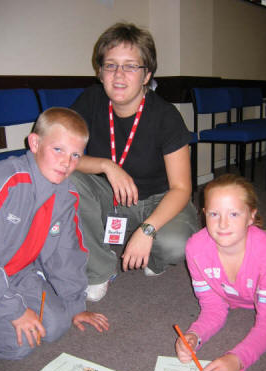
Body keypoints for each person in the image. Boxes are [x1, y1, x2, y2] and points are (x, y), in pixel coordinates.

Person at [71, 22, 199, 302]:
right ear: (100, 72)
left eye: (130, 66)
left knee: (178, 244)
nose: (118, 75)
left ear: (146, 75)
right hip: (110, 198)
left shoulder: (166, 116)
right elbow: (65, 154)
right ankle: (99, 270)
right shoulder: (91, 100)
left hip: (159, 199)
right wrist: (107, 166)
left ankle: (153, 254)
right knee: (68, 180)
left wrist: (148, 230)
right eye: (110, 65)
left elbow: (181, 188)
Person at [0, 107, 109, 360]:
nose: (67, 162)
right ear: (35, 143)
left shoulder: (65, 193)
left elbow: (66, 253)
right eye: (58, 150)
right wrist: (14, 310)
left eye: (76, 155)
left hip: (18, 273)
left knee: (56, 325)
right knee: (20, 344)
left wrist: (76, 306)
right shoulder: (4, 179)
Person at [176, 174, 266, 371]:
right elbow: (212, 307)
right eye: (214, 214)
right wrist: (194, 335)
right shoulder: (195, 249)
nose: (223, 224)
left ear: (251, 216)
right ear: (204, 214)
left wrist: (237, 359)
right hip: (237, 293)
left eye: (234, 214)